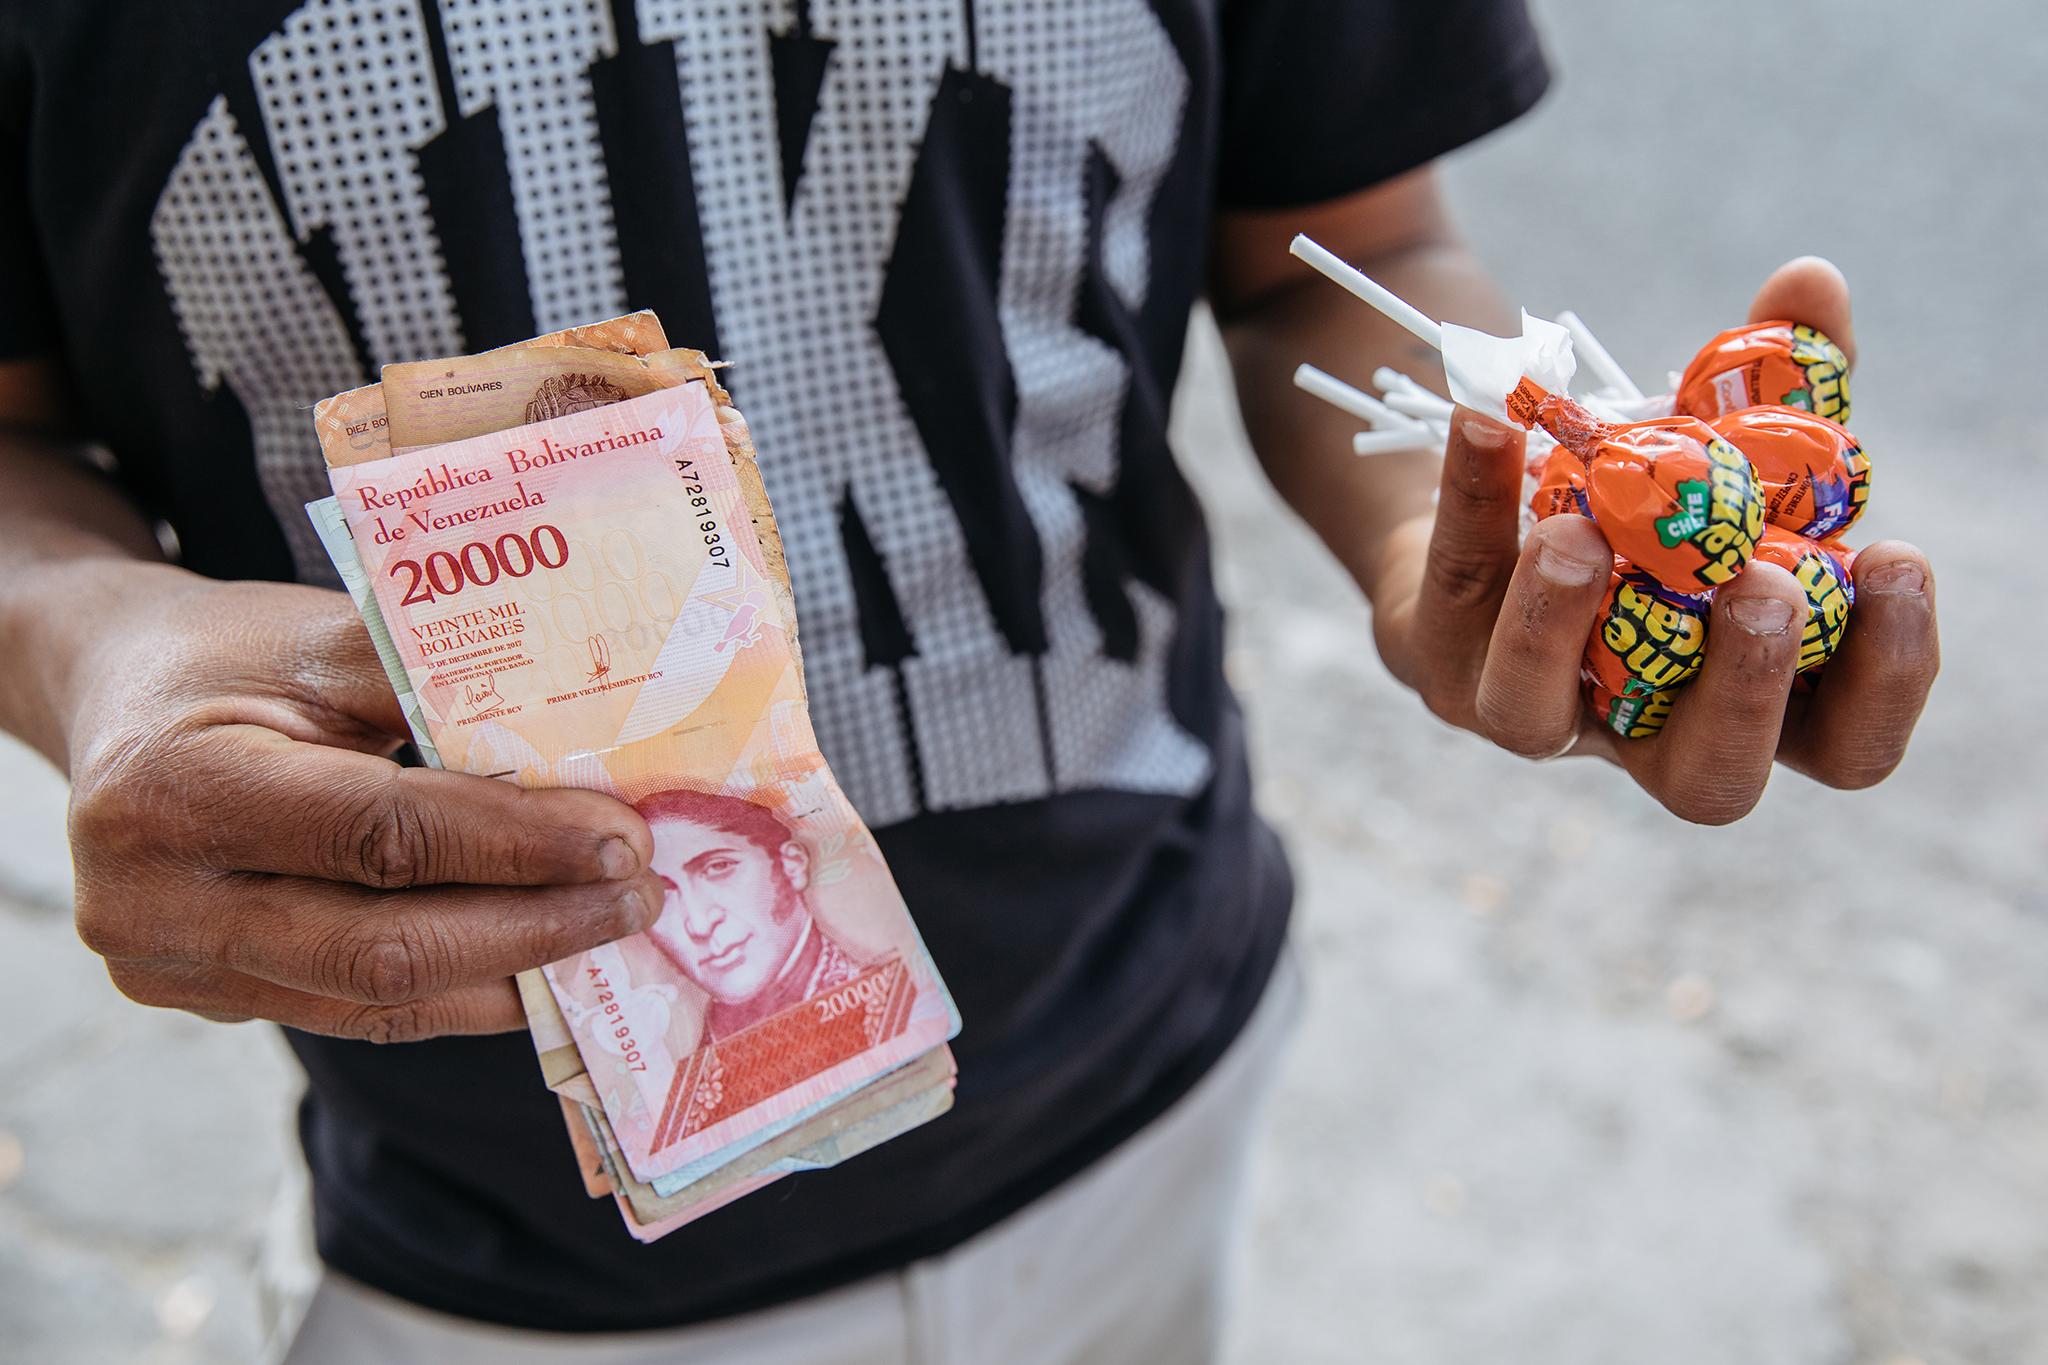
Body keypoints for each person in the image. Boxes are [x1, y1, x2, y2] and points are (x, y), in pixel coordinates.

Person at [0, 2, 1937, 1361]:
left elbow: (1339, 249)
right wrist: (86, 643)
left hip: (1142, 1081)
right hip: (500, 1252)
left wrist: (1482, 517)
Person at [636, 786, 865, 1039]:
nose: (700, 925)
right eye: (661, 893)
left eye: (720, 867)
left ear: (792, 865)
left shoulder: (890, 1004)